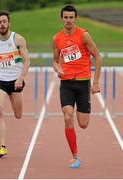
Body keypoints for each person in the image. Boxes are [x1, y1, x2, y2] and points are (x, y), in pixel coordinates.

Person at [53, 5, 102, 168]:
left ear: (75, 18)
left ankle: (85, 107)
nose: (68, 20)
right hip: (66, 83)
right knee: (67, 116)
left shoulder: (84, 35)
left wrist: (95, 83)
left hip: (83, 83)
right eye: (65, 17)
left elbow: (98, 57)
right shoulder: (57, 38)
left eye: (71, 17)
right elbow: (55, 60)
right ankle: (75, 155)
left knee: (83, 124)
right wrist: (57, 67)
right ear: (61, 19)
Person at [0, 11, 30, 159]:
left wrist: (21, 78)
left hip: (15, 81)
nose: (2, 24)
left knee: (18, 115)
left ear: (9, 23)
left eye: (4, 21)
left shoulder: (18, 39)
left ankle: (16, 94)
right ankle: (2, 146)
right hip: (0, 81)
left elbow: (27, 60)